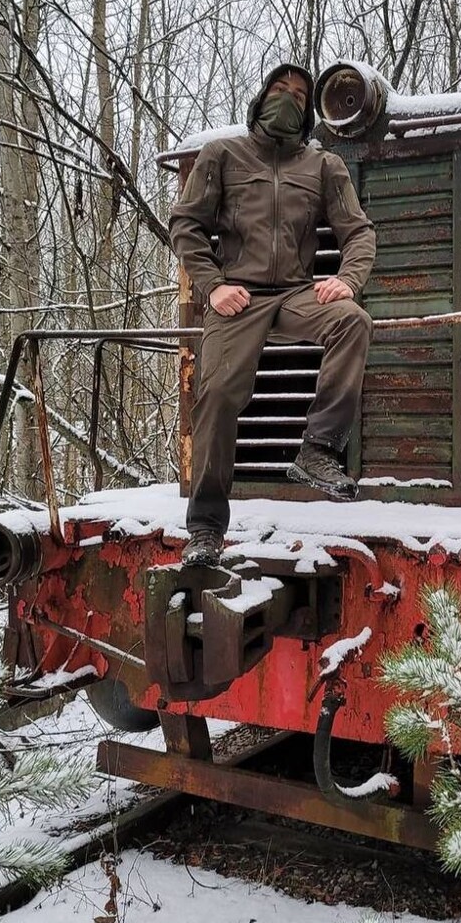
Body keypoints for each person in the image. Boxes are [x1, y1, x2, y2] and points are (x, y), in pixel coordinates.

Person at [170, 61, 376, 567]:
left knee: (353, 319)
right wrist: (214, 286)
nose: (289, 98)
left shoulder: (324, 166)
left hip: (294, 295)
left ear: (307, 113)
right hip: (238, 296)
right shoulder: (223, 154)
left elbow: (359, 232)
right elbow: (186, 226)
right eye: (280, 89)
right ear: (261, 98)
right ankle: (205, 528)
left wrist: (347, 279)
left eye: (300, 95)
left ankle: (318, 449)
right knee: (217, 391)